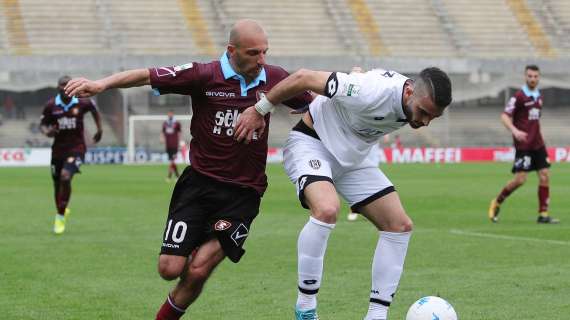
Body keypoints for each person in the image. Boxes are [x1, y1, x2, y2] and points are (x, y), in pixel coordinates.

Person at [64, 19, 311, 320]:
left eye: (265, 52)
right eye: (253, 53)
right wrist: (102, 84)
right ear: (232, 50)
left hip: (243, 193)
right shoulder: (203, 75)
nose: (262, 60)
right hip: (198, 186)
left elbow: (315, 98)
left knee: (197, 271)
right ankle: (195, 244)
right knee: (170, 269)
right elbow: (147, 75)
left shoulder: (274, 78)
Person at [236, 66, 452, 320]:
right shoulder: (369, 91)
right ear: (409, 91)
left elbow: (368, 77)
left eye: (432, 117)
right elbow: (304, 77)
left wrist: (353, 79)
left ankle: (376, 315)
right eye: (423, 112)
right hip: (312, 144)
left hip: (352, 160)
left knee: (399, 226)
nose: (424, 122)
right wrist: (260, 109)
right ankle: (305, 308)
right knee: (327, 209)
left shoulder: (402, 96)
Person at [488, 65, 559, 224]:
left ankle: (543, 214)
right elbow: (505, 116)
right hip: (524, 145)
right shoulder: (519, 96)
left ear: (539, 78)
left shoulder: (539, 96)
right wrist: (515, 131)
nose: (533, 79)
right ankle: (497, 201)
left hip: (538, 143)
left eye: (535, 76)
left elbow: (534, 120)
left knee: (545, 175)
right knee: (520, 179)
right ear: (525, 77)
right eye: (530, 76)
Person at [40, 75, 103, 234]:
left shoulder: (81, 102)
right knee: (57, 184)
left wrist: (99, 129)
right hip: (58, 150)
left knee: (65, 177)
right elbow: (43, 125)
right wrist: (48, 132)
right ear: (58, 87)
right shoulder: (51, 105)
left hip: (77, 148)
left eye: (67, 84)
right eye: (62, 84)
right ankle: (61, 209)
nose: (65, 87)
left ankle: (60, 216)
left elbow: (95, 110)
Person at [161, 110, 182, 182]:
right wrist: (162, 139)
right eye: (168, 114)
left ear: (172, 114)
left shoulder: (176, 123)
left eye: (171, 113)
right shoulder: (165, 123)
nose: (169, 115)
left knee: (172, 161)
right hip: (168, 144)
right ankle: (177, 176)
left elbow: (179, 132)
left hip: (174, 144)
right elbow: (163, 132)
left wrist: (179, 142)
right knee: (171, 161)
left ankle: (169, 176)